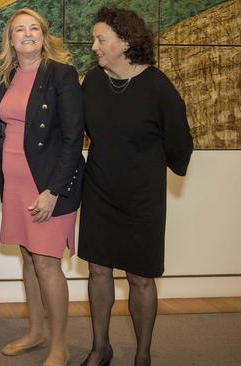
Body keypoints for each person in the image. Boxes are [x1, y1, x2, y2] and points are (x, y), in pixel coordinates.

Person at [78, 7, 193, 366]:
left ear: (125, 42)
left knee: (140, 277)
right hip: (98, 189)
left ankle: (142, 354)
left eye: (101, 39)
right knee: (98, 270)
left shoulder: (157, 87)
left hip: (142, 197)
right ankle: (100, 348)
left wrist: (153, 167)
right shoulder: (93, 82)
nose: (94, 46)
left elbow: (180, 144)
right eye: (95, 39)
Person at [0, 8, 85, 366]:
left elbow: (73, 137)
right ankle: (34, 332)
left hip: (48, 186)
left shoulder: (62, 75)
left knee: (47, 264)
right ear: (11, 39)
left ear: (44, 36)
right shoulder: (7, 77)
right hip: (14, 184)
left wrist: (53, 191)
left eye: (34, 29)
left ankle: (59, 346)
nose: (27, 34)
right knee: (28, 259)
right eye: (20, 30)